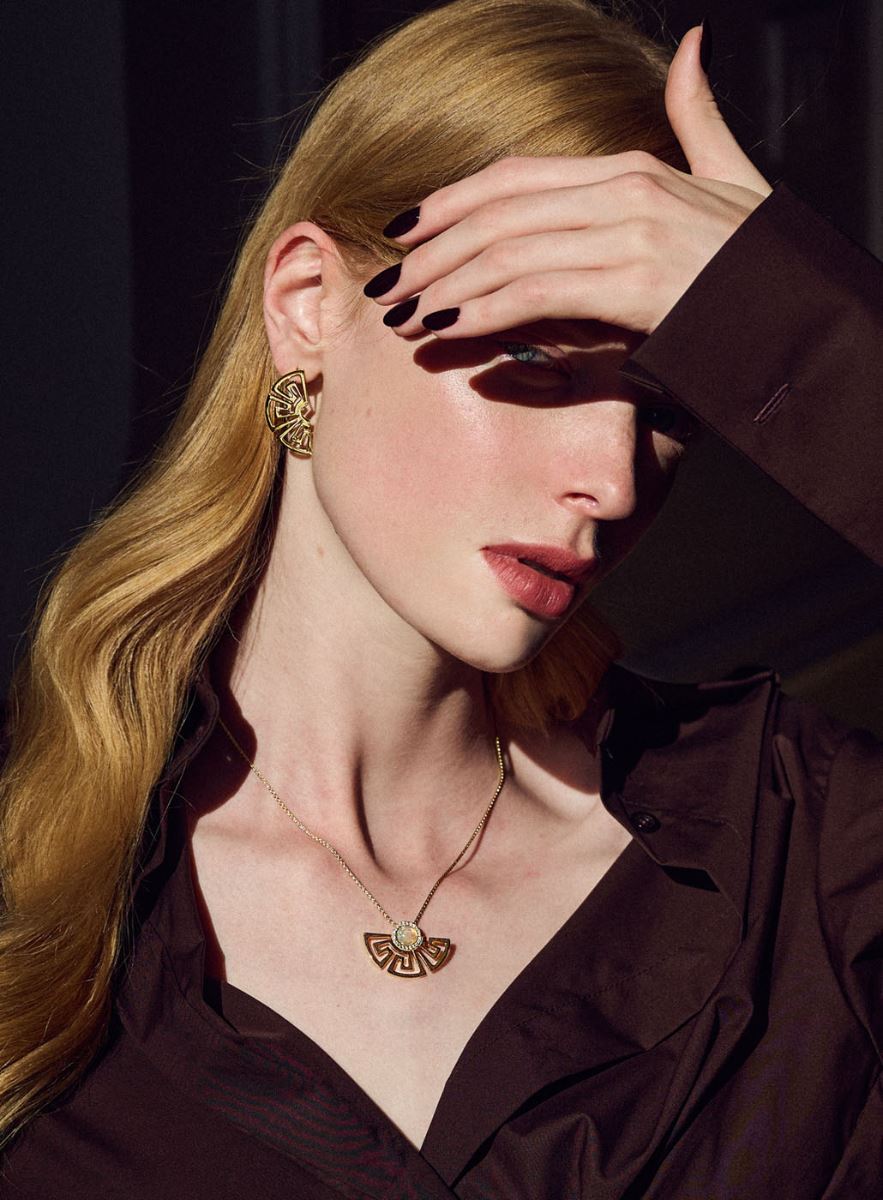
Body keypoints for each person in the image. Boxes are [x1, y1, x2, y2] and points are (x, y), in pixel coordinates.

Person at [1, 0, 880, 1195]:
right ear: (308, 306)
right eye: (536, 361)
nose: (614, 480)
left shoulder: (799, 851)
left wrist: (804, 329)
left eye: (667, 409)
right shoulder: (38, 883)